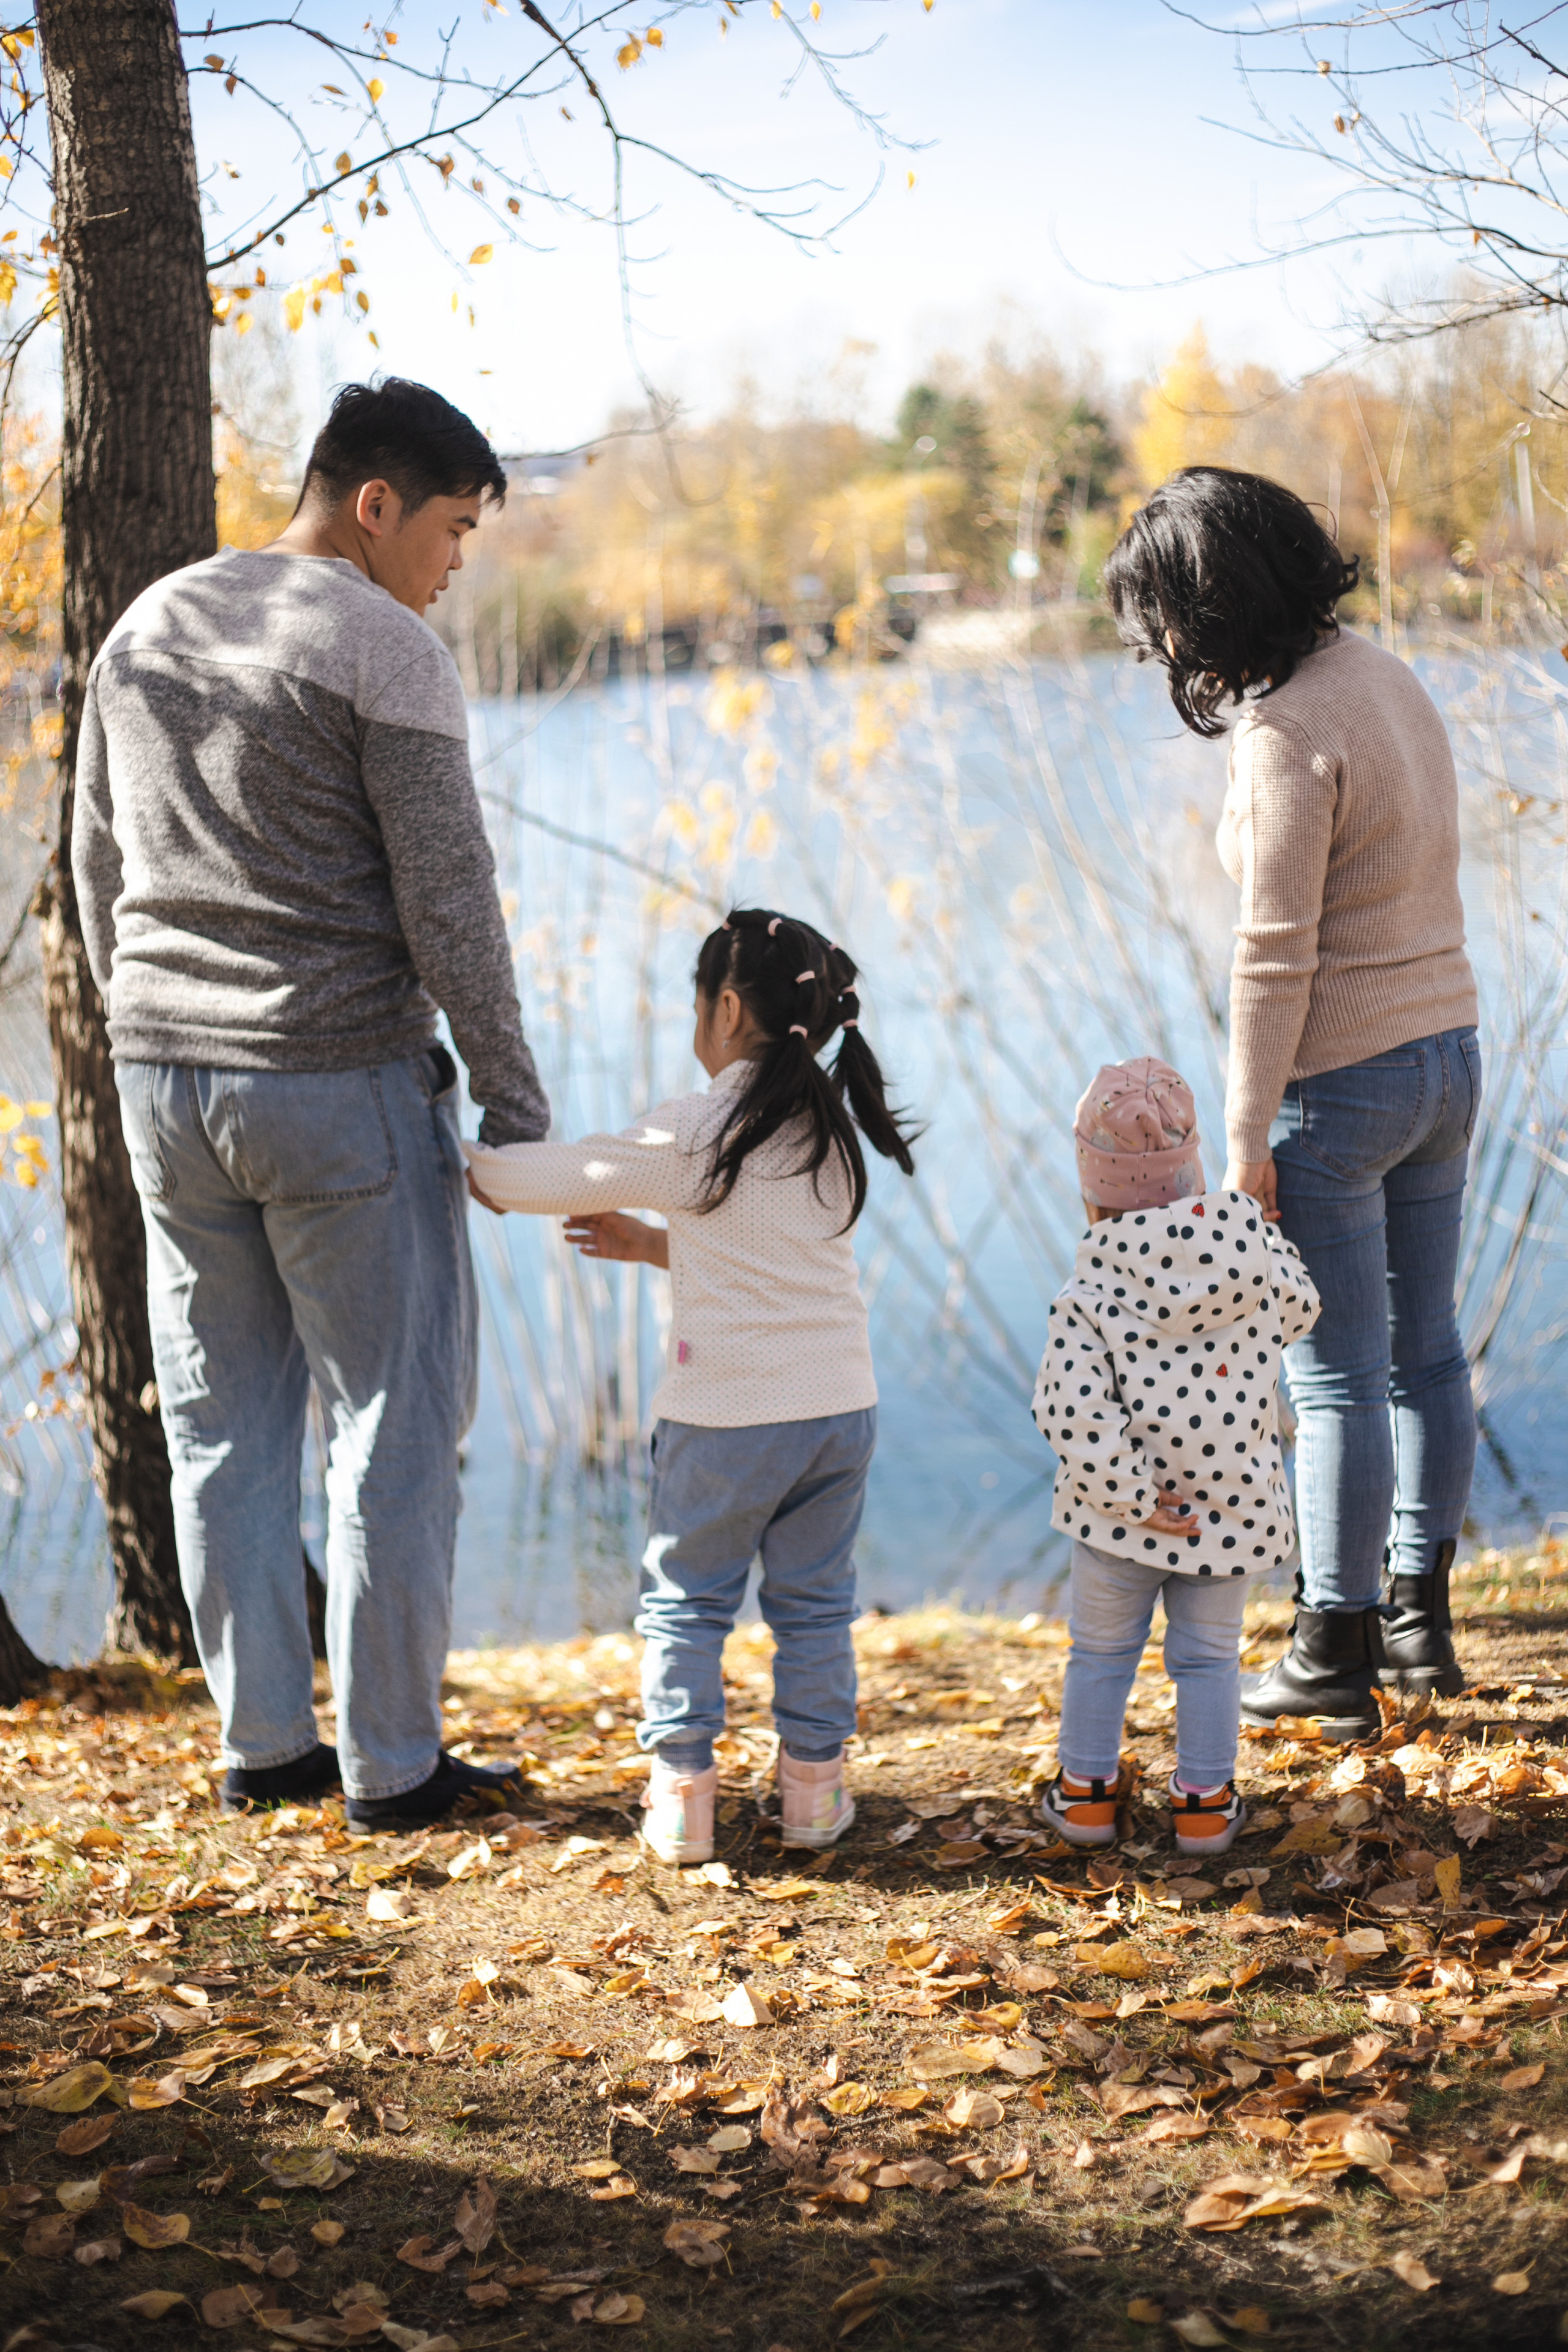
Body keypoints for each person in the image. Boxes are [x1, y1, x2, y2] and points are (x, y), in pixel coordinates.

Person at [73, 379, 550, 1825]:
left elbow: (96, 864)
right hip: (331, 1080)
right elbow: (450, 903)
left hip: (166, 1082)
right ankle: (394, 1769)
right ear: (375, 504)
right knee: (393, 1423)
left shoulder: (146, 624)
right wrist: (515, 1103)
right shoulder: (381, 648)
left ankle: (265, 1746)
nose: (455, 566)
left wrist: (138, 1019)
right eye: (454, 530)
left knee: (222, 1425)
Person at [1104, 469, 1482, 1743]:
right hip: (1446, 1051)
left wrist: (1244, 1131)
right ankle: (1417, 1624)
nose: (1159, 646)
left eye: (1159, 616)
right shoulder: (1383, 676)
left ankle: (1332, 1644)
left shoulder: (1281, 735)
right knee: (1426, 1349)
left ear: (1205, 603)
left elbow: (1271, 952)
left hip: (1343, 1081)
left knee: (1332, 1381)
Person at [465, 907, 917, 1865]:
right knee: (814, 1605)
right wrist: (654, 1246)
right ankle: (813, 1796)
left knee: (686, 1601)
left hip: (728, 1416)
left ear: (721, 1007)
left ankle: (682, 1801)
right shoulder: (827, 1121)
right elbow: (772, 1257)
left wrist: (451, 1146)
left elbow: (529, 1180)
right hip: (839, 1410)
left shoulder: (699, 1125)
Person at [1031, 1057, 1320, 1855]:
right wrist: (1252, 1233)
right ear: (1193, 1173)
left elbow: (1070, 1406)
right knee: (1208, 1661)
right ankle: (1203, 1803)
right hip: (1228, 1511)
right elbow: (1303, 1305)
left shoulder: (1092, 1282)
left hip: (1118, 1524)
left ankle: (1087, 1798)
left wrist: (1128, 1493)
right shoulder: (1250, 1253)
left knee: (1101, 1654)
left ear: (1092, 1190)